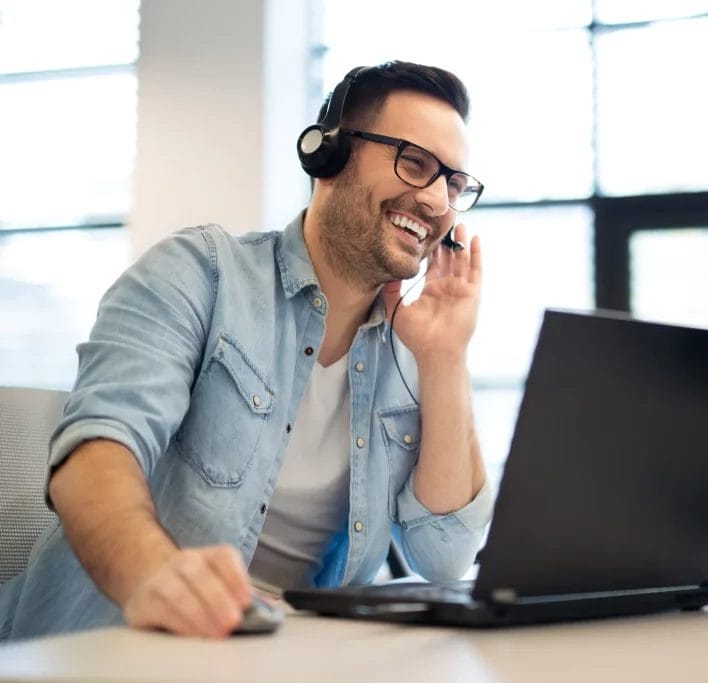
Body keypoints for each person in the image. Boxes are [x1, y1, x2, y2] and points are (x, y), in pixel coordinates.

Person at [0, 60, 493, 641]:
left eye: (455, 184)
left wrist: (445, 359)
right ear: (327, 156)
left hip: (297, 656)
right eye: (415, 164)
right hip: (125, 646)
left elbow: (445, 556)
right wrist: (151, 574)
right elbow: (96, 451)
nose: (438, 201)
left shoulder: (413, 349)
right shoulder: (199, 275)